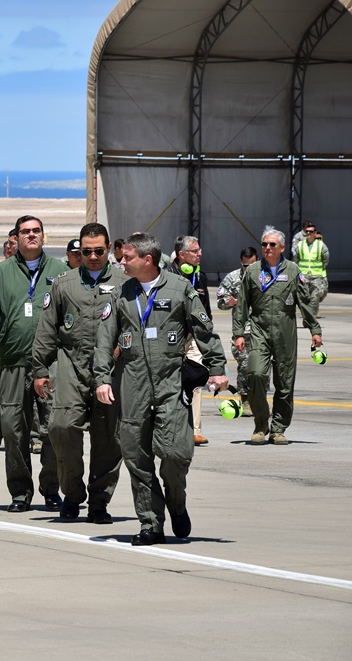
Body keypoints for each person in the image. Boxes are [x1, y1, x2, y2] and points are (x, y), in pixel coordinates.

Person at [95, 232, 227, 546]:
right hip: (133, 386)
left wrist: (218, 368)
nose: (121, 262)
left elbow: (204, 330)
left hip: (170, 386)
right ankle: (151, 524)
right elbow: (104, 340)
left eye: (127, 257)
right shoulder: (120, 294)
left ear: (148, 260)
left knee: (176, 454)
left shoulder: (181, 289)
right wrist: (101, 378)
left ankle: (176, 503)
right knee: (136, 459)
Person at [0, 215, 67, 513]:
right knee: (13, 431)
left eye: (36, 231)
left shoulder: (60, 273)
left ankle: (51, 490)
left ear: (44, 236)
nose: (31, 236)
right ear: (15, 238)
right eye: (25, 232)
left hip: (50, 366)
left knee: (54, 428)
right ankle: (20, 492)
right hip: (12, 364)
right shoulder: (0, 275)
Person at [32, 223, 126, 523]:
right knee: (61, 426)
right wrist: (40, 369)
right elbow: (47, 329)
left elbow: (134, 325)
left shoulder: (126, 283)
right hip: (71, 363)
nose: (93, 256)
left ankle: (99, 502)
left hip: (110, 369)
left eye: (99, 251)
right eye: (87, 252)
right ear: (79, 252)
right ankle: (72, 493)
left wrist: (122, 350)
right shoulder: (64, 284)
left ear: (108, 249)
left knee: (108, 438)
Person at [233, 227, 322, 445]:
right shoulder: (253, 271)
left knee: (284, 382)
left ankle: (278, 429)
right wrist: (238, 333)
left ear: (282, 247)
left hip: (285, 328)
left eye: (272, 244)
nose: (267, 248)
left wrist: (315, 330)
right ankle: (261, 423)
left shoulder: (292, 270)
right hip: (259, 327)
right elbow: (242, 305)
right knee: (255, 373)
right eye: (264, 244)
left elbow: (305, 302)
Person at [171, 235, 211, 446]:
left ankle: (195, 430)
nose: (200, 254)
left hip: (193, 337)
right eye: (195, 251)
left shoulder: (201, 278)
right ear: (182, 255)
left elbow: (206, 313)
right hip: (172, 337)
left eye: (199, 250)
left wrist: (209, 342)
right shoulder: (167, 276)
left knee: (196, 379)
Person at [216, 247, 259, 416]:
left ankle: (259, 400)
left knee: (261, 369)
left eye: (252, 265)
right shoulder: (233, 278)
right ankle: (246, 399)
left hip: (261, 330)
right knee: (246, 365)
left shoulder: (266, 277)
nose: (248, 269)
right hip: (242, 332)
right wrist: (230, 302)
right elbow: (220, 300)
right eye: (245, 265)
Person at [292, 222, 329, 316]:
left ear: (315, 233)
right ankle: (307, 317)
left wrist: (320, 269)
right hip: (303, 276)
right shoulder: (300, 244)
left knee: (315, 298)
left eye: (311, 231)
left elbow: (326, 258)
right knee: (304, 298)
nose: (308, 233)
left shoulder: (320, 245)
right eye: (307, 231)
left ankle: (311, 319)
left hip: (316, 276)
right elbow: (296, 258)